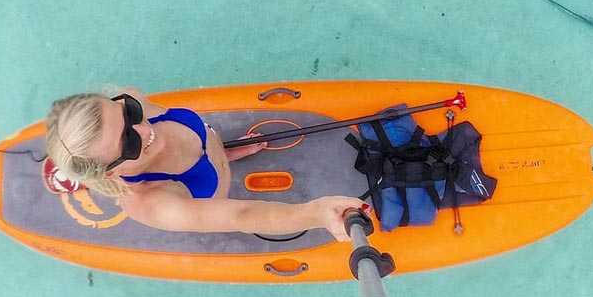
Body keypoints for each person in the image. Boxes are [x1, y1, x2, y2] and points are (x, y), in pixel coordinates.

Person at [45, 87, 363, 241]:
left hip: (213, 151)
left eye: (129, 115)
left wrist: (221, 155)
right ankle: (79, 176)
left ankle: (77, 166)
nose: (146, 129)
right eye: (129, 143)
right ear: (112, 169)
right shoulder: (152, 203)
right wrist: (315, 213)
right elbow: (242, 214)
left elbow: (140, 124)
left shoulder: (132, 99)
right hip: (203, 193)